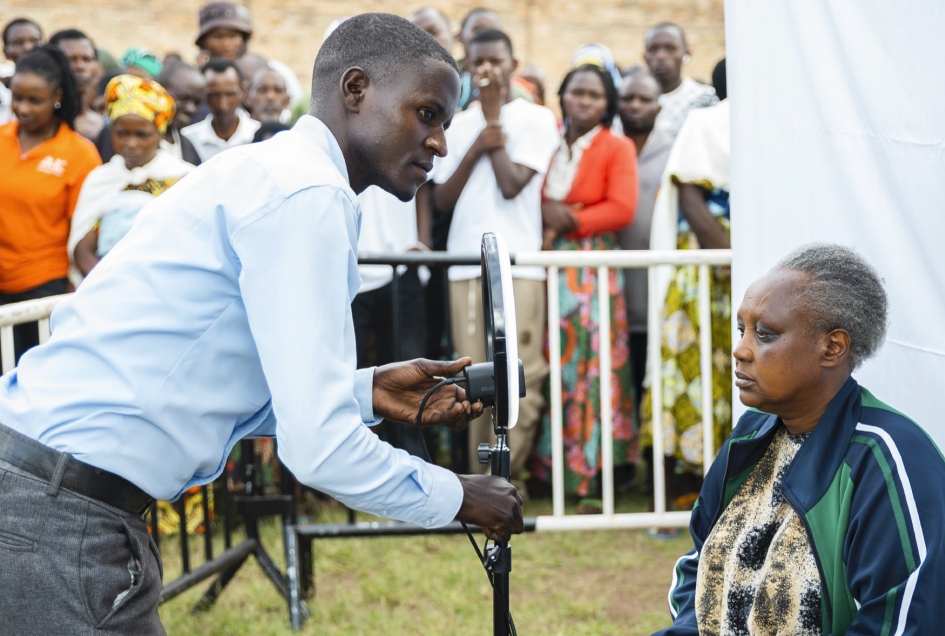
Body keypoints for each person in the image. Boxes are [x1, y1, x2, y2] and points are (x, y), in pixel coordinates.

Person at [0, 13, 522, 634]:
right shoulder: (306, 194)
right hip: (60, 515)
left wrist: (364, 392)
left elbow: (201, 376)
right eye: (428, 114)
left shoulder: (275, 173)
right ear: (356, 91)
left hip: (54, 500)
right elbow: (321, 450)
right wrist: (459, 496)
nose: (439, 142)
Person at [655, 243, 945, 636]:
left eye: (765, 334)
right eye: (742, 329)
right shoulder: (751, 434)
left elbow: (905, 624)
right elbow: (700, 564)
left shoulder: (894, 463)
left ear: (832, 347)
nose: (740, 350)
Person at [431, 28, 560, 493]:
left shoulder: (537, 119)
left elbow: (511, 184)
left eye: (495, 61)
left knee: (519, 370)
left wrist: (494, 128)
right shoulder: (458, 122)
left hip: (517, 264)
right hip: (465, 263)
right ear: (466, 65)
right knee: (473, 375)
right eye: (478, 62)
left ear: (512, 64)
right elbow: (442, 197)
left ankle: (508, 476)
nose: (486, 70)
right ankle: (474, 481)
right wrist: (480, 136)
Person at [533, 61, 638, 512]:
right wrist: (546, 210)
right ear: (563, 96)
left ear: (607, 104)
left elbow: (622, 207)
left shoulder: (617, 146)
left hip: (590, 263)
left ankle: (593, 472)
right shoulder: (547, 142)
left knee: (592, 362)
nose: (584, 101)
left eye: (595, 95)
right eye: (577, 92)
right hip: (549, 262)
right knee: (552, 359)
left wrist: (569, 218)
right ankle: (548, 468)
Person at [641, 59, 731, 518]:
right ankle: (688, 490)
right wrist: (731, 259)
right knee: (692, 372)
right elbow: (691, 199)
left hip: (756, 264)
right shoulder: (705, 122)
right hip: (708, 265)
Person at [0, 46, 101, 363]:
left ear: (57, 96)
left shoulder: (79, 154)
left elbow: (84, 231)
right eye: (17, 97)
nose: (22, 108)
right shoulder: (1, 138)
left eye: (35, 100)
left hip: (45, 293)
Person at [69, 75, 194, 285]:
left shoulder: (184, 178)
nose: (131, 143)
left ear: (160, 134)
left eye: (142, 135)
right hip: (106, 287)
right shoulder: (101, 179)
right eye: (122, 134)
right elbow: (81, 248)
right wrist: (112, 283)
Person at [352, 185, 432, 457]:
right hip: (349, 267)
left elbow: (424, 186)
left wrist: (424, 244)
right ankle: (354, 467)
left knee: (410, 374)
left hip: (402, 263)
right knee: (348, 376)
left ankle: (413, 463)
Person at [615, 68, 669, 400]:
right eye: (628, 98)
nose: (635, 105)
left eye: (644, 99)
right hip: (614, 285)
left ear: (658, 107)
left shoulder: (674, 149)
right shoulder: (607, 145)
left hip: (655, 285)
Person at [194, 1, 303, 104]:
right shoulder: (194, 77)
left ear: (243, 39)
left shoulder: (276, 71)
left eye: (232, 36)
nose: (226, 43)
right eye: (217, 36)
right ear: (203, 41)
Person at [643, 23, 717, 140]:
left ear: (686, 53)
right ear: (645, 56)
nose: (661, 56)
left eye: (670, 48)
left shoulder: (704, 98)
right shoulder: (630, 100)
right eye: (653, 49)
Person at [181, 58, 260, 160]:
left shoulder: (258, 135)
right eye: (214, 95)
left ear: (243, 92)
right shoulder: (188, 139)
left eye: (230, 94)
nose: (223, 105)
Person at [48, 29, 105, 139]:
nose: (80, 66)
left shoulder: (104, 126)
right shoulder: (42, 125)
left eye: (87, 59)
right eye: (70, 59)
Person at [157, 60, 205, 164]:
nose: (191, 109)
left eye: (197, 102)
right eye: (183, 98)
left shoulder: (189, 149)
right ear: (159, 90)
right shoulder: (128, 139)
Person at [1, 19, 42, 124]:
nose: (27, 47)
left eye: (34, 40)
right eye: (17, 42)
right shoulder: (2, 92)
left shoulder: (60, 88)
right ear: (6, 52)